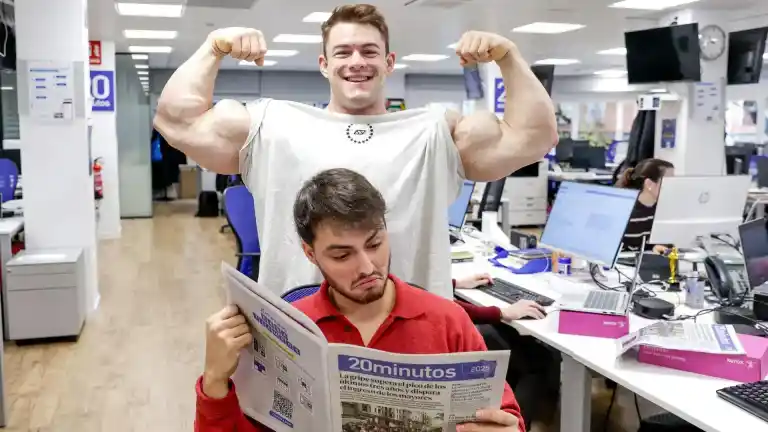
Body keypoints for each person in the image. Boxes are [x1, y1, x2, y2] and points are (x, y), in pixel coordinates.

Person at [154, 4, 557, 298]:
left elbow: (535, 138)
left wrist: (509, 57)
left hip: (411, 339)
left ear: (389, 62)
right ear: (324, 64)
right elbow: (176, 123)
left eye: (369, 51)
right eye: (343, 52)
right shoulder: (273, 125)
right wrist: (213, 48)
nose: (357, 61)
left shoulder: (434, 130)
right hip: (301, 332)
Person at [196, 168, 525, 432]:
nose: (367, 267)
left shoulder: (448, 321)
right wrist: (214, 380)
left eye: (374, 244)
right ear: (310, 254)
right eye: (342, 255)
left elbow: (507, 416)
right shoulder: (289, 328)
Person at [452, 274, 559, 431]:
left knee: (514, 346)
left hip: (456, 327)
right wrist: (501, 312)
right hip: (459, 331)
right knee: (539, 359)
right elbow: (447, 306)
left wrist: (454, 283)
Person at [615, 158, 675, 253]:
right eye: (669, 182)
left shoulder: (663, 210)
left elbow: (665, 246)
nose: (674, 186)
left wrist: (656, 248)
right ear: (649, 184)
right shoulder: (626, 213)